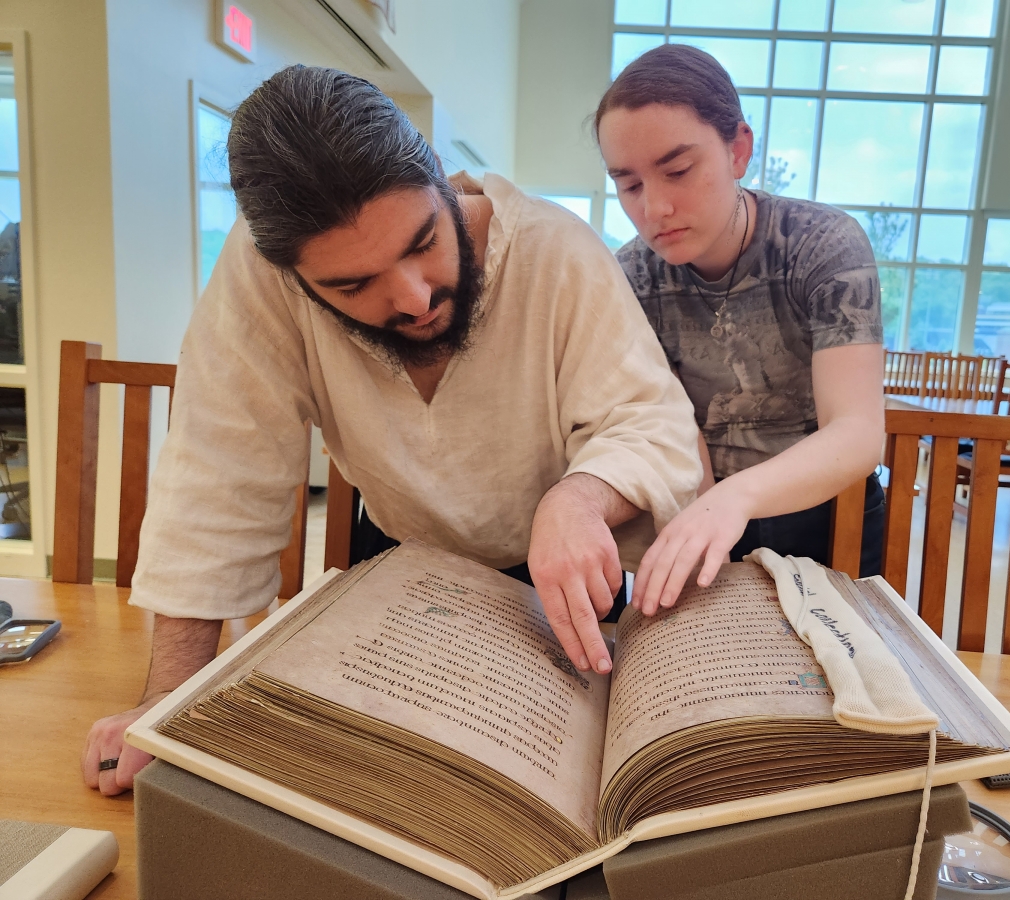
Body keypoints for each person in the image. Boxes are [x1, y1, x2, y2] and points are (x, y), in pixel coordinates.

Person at [81, 65, 701, 796]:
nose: (412, 298)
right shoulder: (260, 272)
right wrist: (165, 701)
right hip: (402, 578)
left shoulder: (556, 251)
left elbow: (652, 425)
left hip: (559, 584)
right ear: (293, 273)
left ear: (438, 174)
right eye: (352, 286)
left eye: (422, 241)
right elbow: (217, 477)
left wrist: (582, 498)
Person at [594, 45, 886, 615]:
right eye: (628, 185)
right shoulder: (631, 276)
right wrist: (709, 509)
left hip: (827, 507)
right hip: (696, 506)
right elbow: (673, 425)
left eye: (678, 171)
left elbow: (857, 432)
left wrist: (733, 499)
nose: (654, 209)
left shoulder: (823, 245)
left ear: (738, 151)